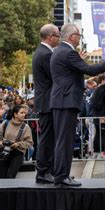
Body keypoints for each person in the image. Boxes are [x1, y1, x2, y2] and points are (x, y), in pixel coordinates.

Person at [50, 24, 105, 186]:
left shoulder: (61, 51)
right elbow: (90, 69)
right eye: (79, 36)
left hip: (62, 101)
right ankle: (61, 176)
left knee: (63, 140)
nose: (80, 39)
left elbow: (70, 74)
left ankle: (62, 174)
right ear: (71, 36)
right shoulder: (68, 52)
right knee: (64, 141)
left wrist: (79, 63)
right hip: (65, 102)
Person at [32, 23, 60, 183]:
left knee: (49, 139)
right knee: (47, 140)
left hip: (46, 102)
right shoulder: (45, 54)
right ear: (50, 37)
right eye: (57, 35)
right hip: (47, 103)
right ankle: (43, 172)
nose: (59, 39)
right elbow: (56, 76)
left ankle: (50, 172)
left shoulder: (42, 52)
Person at [0, 105, 33, 178]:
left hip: (18, 153)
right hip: (4, 151)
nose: (24, 114)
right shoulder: (6, 123)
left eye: (25, 113)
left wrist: (17, 144)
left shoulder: (26, 127)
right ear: (15, 114)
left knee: (10, 176)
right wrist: (1, 142)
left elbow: (29, 142)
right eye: (21, 113)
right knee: (1, 176)